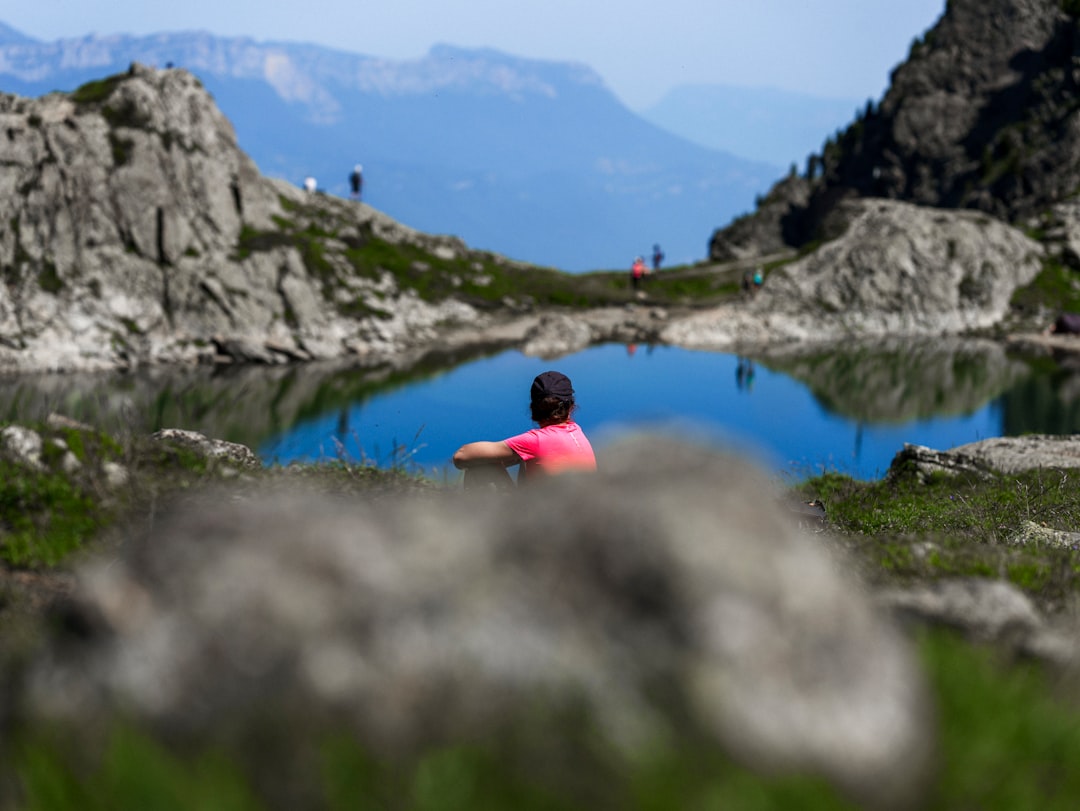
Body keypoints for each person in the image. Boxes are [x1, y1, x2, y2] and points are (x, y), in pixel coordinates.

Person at [452, 370, 597, 489]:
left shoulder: (536, 441)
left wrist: (497, 461)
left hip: (542, 520)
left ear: (533, 407)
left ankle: (476, 521)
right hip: (580, 515)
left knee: (480, 468)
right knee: (524, 458)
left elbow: (461, 456)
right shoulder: (576, 430)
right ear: (571, 407)